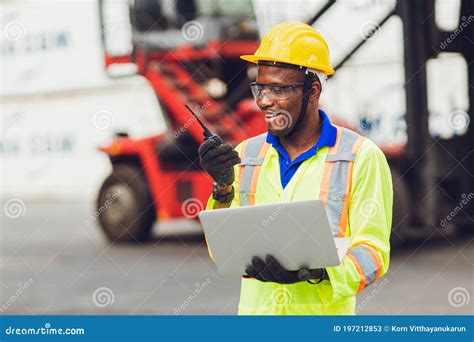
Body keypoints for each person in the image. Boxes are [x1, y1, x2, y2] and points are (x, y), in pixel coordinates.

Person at [198, 21, 393, 315]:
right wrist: (223, 188)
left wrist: (317, 273)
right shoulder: (246, 155)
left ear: (312, 90)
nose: (264, 101)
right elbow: (223, 251)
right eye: (260, 87)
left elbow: (373, 255)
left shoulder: (360, 156)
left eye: (278, 89)